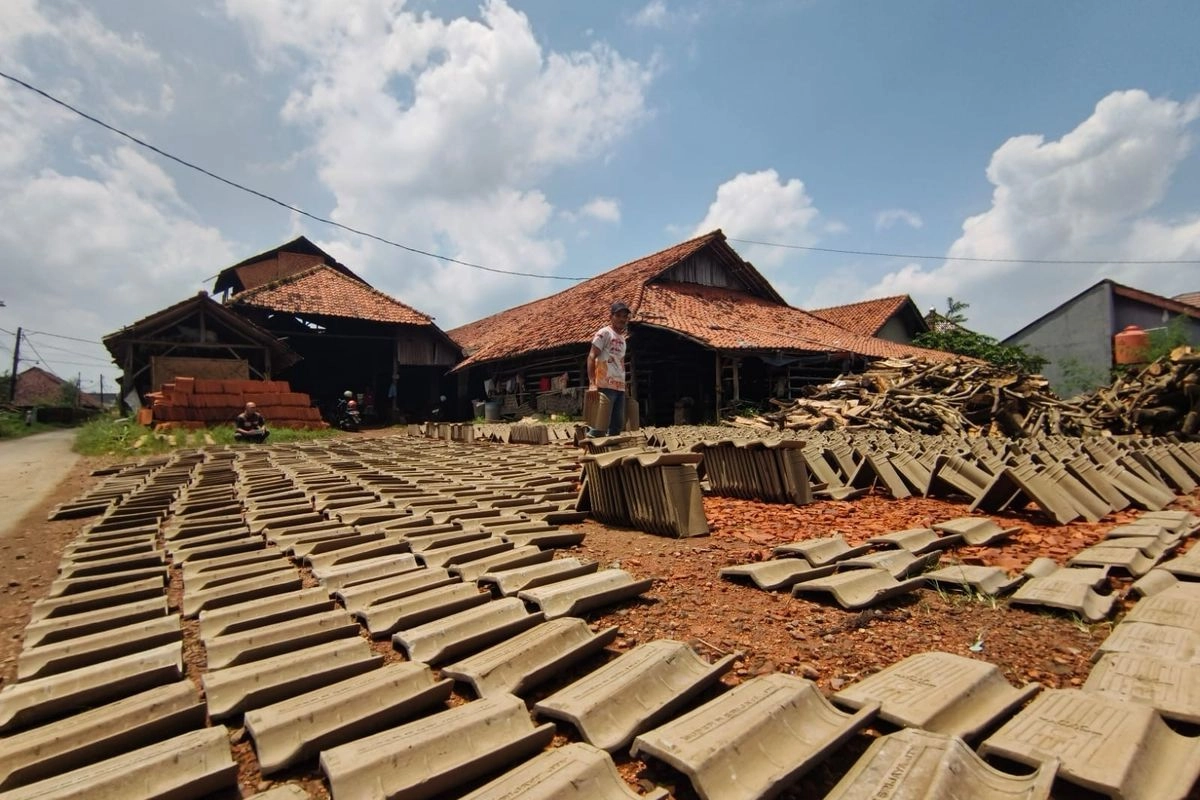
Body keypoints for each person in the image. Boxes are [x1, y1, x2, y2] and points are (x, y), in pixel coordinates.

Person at [586, 300, 631, 437]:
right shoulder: (604, 333)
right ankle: (589, 445)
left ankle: (610, 454)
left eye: (624, 316)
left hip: (619, 387)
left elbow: (620, 363)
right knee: (600, 425)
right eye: (618, 316)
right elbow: (591, 356)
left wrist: (625, 384)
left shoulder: (623, 340)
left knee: (617, 425)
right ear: (611, 317)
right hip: (605, 385)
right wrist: (592, 383)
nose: (622, 319)